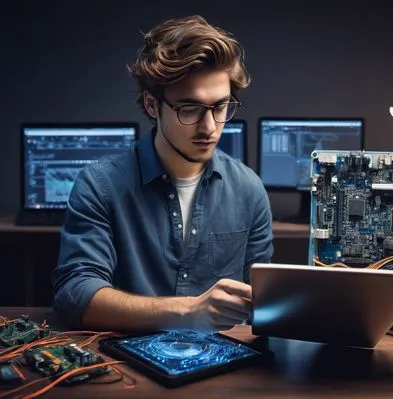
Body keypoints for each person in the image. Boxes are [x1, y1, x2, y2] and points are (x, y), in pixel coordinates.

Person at [52, 15, 274, 333]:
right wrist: (187, 311)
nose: (210, 127)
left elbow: (263, 302)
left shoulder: (249, 189)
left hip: (222, 368)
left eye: (221, 106)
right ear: (152, 105)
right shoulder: (99, 185)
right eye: (190, 108)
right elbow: (75, 295)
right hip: (127, 368)